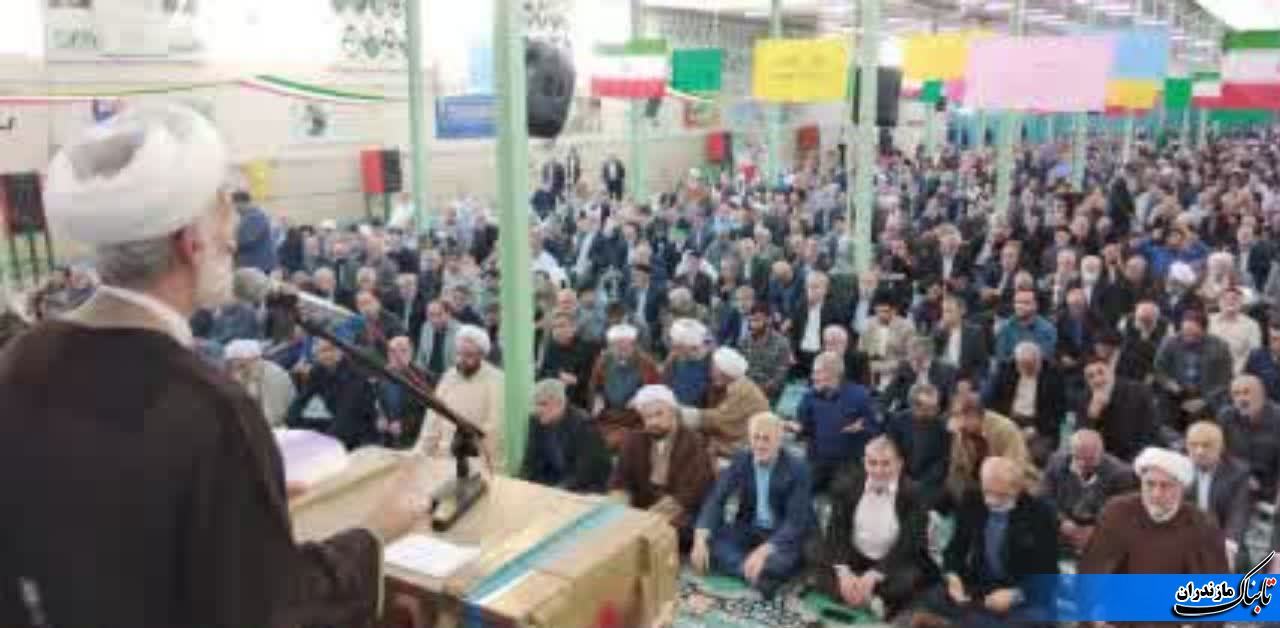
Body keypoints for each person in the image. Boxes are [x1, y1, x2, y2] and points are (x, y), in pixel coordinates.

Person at [0, 104, 426, 627]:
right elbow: (271, 610)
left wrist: (239, 507)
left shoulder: (21, 361)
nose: (236, 232)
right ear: (190, 242)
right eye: (225, 207)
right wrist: (375, 534)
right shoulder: (211, 410)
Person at [920, 457, 1059, 626]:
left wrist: (1015, 595)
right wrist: (953, 577)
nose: (990, 500)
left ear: (1017, 489)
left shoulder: (1040, 513)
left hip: (1021, 589)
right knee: (931, 598)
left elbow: (1049, 574)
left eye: (1001, 495)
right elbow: (954, 550)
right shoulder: (972, 500)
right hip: (981, 585)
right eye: (987, 492)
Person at [810, 435, 937, 619]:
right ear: (864, 462)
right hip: (854, 556)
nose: (878, 470)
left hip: (891, 561)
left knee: (909, 580)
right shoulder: (846, 485)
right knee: (814, 555)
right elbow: (836, 531)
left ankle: (858, 595)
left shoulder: (914, 494)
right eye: (873, 463)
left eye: (886, 464)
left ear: (899, 464)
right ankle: (869, 599)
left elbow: (909, 544)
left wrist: (876, 574)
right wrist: (844, 573)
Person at [691, 412, 814, 598]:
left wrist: (763, 552)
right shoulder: (742, 459)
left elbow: (795, 522)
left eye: (766, 439)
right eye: (756, 438)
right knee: (709, 542)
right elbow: (717, 498)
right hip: (749, 527)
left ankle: (753, 568)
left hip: (782, 534)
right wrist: (700, 538)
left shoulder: (798, 468)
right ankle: (755, 574)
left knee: (780, 563)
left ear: (779, 441)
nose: (760, 445)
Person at [1079, 447, 1229, 579]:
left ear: (1181, 489)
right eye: (1150, 484)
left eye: (1165, 486)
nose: (1156, 494)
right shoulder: (1117, 513)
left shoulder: (1202, 525)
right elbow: (1093, 571)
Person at [610, 385, 716, 552]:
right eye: (648, 417)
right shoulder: (634, 440)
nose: (653, 422)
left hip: (682, 513)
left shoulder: (694, 443)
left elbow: (688, 495)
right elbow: (620, 481)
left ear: (673, 412)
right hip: (643, 510)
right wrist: (618, 510)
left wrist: (643, 521)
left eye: (659, 414)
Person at [415, 325, 507, 473]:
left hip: (477, 461)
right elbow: (432, 420)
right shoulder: (448, 377)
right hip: (443, 458)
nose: (462, 360)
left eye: (469, 355)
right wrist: (419, 453)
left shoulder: (496, 380)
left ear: (482, 355)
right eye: (459, 354)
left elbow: (494, 429)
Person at [793, 351, 880, 493]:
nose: (812, 376)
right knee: (799, 488)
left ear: (833, 373)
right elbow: (804, 427)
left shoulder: (860, 396)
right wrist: (798, 428)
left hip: (847, 463)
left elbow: (876, 429)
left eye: (817, 372)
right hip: (817, 460)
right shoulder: (809, 396)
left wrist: (863, 427)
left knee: (841, 491)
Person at [1040, 429, 1136, 555]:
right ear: (1071, 452)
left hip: (1102, 531)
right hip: (1062, 526)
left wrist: (1097, 529)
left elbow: (1124, 512)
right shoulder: (1056, 463)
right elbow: (1044, 498)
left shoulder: (1121, 474)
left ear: (1101, 453)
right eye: (1078, 457)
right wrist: (1062, 521)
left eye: (1090, 459)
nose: (1083, 464)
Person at [520, 379, 612, 493]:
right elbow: (529, 463)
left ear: (560, 403)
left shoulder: (583, 425)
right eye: (535, 404)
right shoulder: (535, 421)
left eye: (543, 404)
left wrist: (554, 492)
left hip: (586, 488)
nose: (537, 409)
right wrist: (520, 485)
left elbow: (584, 473)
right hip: (555, 482)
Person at [1184, 421, 1252, 568]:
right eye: (1193, 445)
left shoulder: (1238, 473)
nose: (1199, 451)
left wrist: (1229, 545)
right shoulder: (1179, 469)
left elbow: (1238, 513)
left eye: (1206, 445)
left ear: (1220, 447)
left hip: (1223, 537)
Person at [684, 347, 769, 457]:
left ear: (723, 372)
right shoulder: (731, 384)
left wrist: (682, 414)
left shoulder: (742, 391)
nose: (710, 371)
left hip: (746, 446)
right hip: (735, 440)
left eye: (713, 368)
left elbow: (718, 419)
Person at [226, 338, 296, 428]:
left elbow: (273, 417)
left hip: (279, 428)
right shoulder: (243, 374)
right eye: (233, 364)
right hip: (255, 425)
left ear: (254, 359)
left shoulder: (274, 375)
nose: (236, 369)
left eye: (241, 365)